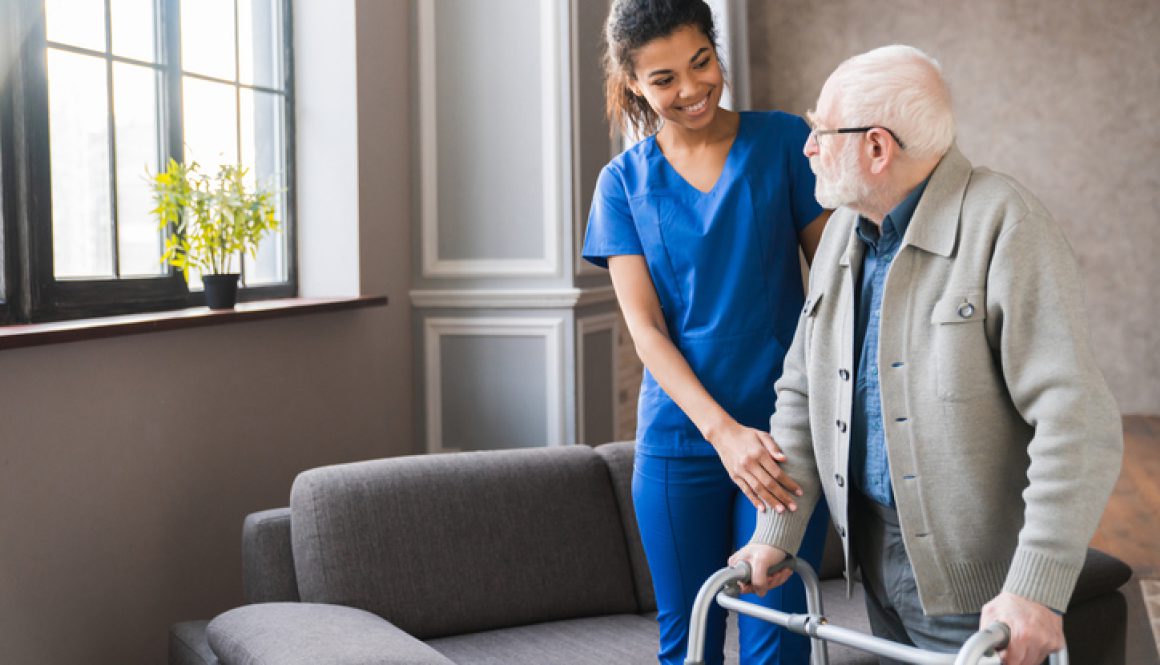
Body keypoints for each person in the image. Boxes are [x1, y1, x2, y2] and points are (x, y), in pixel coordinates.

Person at [728, 45, 1123, 665]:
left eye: (821, 131)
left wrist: (1033, 590)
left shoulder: (1005, 224)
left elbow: (1079, 424)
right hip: (876, 565)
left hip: (986, 595)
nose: (809, 147)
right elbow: (803, 394)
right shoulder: (840, 232)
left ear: (877, 148)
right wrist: (776, 533)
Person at [582, 1, 832, 663]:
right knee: (686, 646)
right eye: (663, 79)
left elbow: (836, 294)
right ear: (632, 83)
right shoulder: (621, 183)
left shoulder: (783, 143)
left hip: (784, 444)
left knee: (777, 647)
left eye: (702, 62)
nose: (691, 89)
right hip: (678, 443)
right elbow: (646, 330)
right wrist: (723, 435)